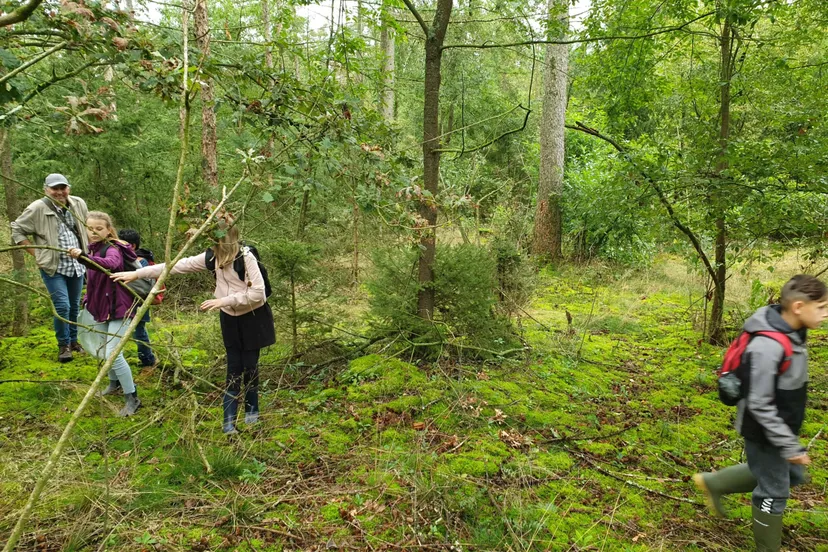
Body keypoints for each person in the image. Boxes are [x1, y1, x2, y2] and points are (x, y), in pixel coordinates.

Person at [693, 274, 827, 552]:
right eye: (822, 307)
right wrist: (788, 444)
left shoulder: (794, 332)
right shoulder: (769, 345)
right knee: (774, 492)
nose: (826, 314)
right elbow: (759, 403)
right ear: (799, 307)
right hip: (764, 430)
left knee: (792, 475)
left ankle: (713, 482)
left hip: (780, 428)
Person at [112, 216, 275, 434]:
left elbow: (258, 294)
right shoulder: (211, 257)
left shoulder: (246, 258)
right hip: (229, 318)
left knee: (250, 365)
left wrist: (224, 300)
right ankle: (229, 422)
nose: (211, 245)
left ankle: (252, 411)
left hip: (254, 317)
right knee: (234, 366)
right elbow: (178, 266)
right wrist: (137, 273)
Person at [68, 211, 141, 417]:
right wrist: (87, 300)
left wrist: (83, 257)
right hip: (100, 308)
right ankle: (114, 384)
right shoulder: (94, 249)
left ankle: (132, 397)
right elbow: (95, 282)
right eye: (90, 229)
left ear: (108, 230)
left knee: (112, 354)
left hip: (120, 308)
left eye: (99, 228)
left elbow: (111, 265)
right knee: (102, 348)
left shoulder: (113, 249)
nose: (93, 232)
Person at [10, 173, 89, 363]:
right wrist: (37, 254)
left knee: (73, 305)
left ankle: (73, 341)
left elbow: (86, 227)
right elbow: (17, 230)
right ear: (46, 189)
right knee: (62, 306)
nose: (60, 192)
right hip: (53, 266)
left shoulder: (78, 203)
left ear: (68, 188)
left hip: (77, 265)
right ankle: (63, 346)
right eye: (55, 189)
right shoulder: (37, 208)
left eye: (63, 188)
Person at [118, 229, 158, 370]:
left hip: (138, 301)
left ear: (132, 246)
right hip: (123, 301)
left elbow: (147, 284)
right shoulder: (117, 258)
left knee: (138, 330)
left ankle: (147, 359)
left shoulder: (141, 261)